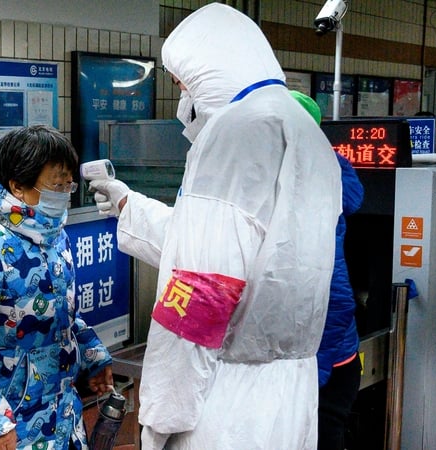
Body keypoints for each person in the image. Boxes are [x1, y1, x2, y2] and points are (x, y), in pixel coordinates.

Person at [89, 4, 342, 449]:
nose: (182, 97)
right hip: (288, 400)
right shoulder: (302, 129)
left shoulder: (234, 131)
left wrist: (161, 416)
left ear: (210, 72)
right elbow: (246, 257)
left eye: (181, 83)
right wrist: (130, 205)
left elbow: (203, 289)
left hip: (222, 406)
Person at [0, 125, 114, 450]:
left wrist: (94, 357)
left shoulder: (55, 236)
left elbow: (64, 317)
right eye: (55, 184)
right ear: (18, 186)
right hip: (2, 427)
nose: (64, 192)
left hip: (58, 419)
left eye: (67, 183)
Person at [291, 91, 364, 450]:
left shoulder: (317, 206)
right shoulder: (315, 187)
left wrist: (312, 375)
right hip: (315, 361)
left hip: (330, 365)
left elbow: (337, 301)